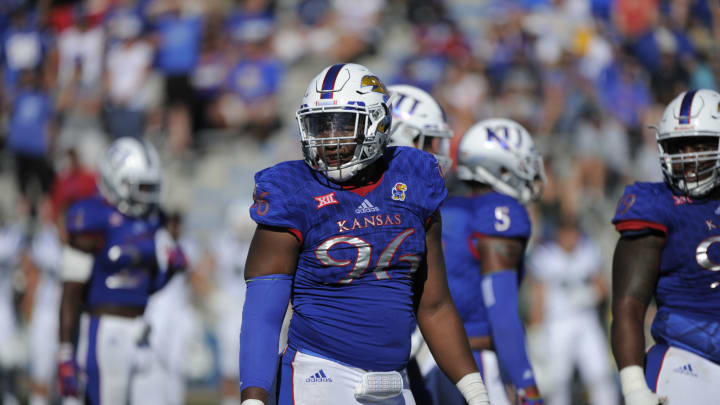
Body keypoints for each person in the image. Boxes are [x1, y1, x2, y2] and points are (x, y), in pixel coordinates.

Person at [239, 63, 490, 405]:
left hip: (395, 381)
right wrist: (254, 398)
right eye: (320, 127)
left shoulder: (414, 179)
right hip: (319, 378)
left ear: (378, 122)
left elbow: (435, 306)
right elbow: (263, 316)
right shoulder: (292, 191)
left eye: (341, 125)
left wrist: (476, 393)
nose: (329, 140)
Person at [57, 137, 186, 405]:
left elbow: (146, 288)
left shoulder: (152, 221)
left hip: (142, 329)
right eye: (140, 187)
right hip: (105, 330)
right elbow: (70, 292)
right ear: (116, 179)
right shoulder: (91, 218)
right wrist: (66, 353)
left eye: (151, 187)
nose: (147, 196)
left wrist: (170, 271)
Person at [611, 88, 720, 404]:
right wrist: (633, 386)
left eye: (699, 146)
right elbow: (627, 305)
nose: (688, 159)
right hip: (688, 360)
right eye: (678, 147)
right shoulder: (657, 204)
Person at [433, 118, 546, 405]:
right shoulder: (501, 213)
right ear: (501, 169)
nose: (530, 172)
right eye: (522, 164)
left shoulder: (444, 207)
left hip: (430, 359)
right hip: (475, 359)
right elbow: (502, 312)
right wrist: (525, 384)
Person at [527, 217, 618, 405]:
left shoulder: (588, 250)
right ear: (558, 234)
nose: (571, 238)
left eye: (573, 233)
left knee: (599, 373)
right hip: (557, 324)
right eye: (566, 234)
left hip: (586, 321)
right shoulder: (545, 255)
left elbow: (603, 288)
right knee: (557, 381)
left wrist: (590, 295)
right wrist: (536, 332)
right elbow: (538, 297)